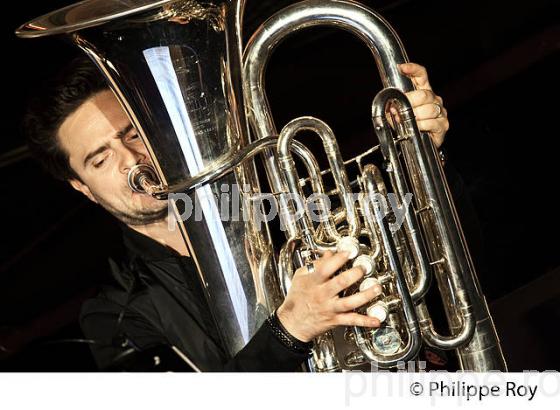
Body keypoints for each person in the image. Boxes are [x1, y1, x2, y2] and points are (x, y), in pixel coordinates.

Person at [23, 56, 449, 371]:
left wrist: (422, 160)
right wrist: (291, 329)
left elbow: (439, 265)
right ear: (83, 187)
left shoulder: (281, 208)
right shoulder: (113, 316)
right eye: (100, 159)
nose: (131, 160)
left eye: (133, 134)